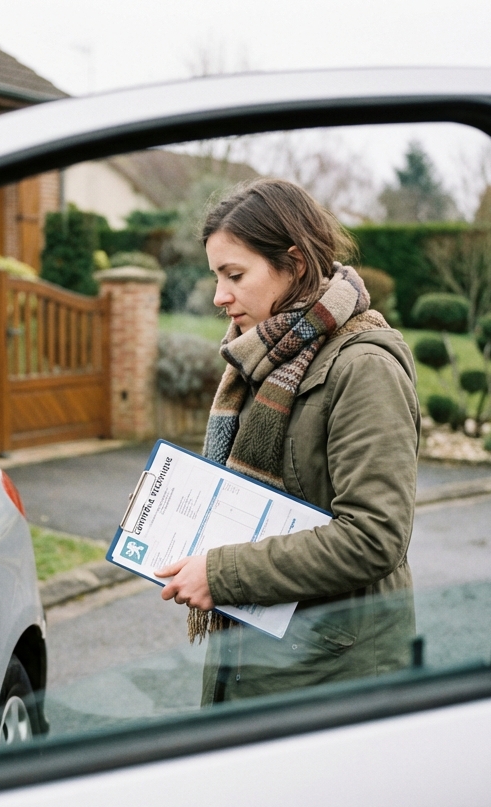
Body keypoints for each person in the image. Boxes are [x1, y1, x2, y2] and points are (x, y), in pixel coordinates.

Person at [154, 178, 419, 705]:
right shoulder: (262, 359)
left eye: (234, 275)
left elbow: (375, 536)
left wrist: (223, 573)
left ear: (295, 264)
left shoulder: (363, 367)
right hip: (253, 660)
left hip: (332, 678)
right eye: (216, 276)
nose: (219, 297)